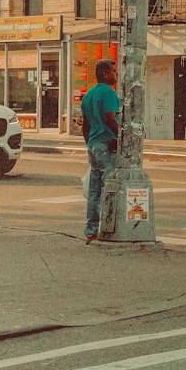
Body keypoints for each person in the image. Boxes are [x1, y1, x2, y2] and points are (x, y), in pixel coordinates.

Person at [81, 59, 120, 243]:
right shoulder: (109, 93)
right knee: (109, 188)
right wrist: (121, 139)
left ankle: (91, 230)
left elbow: (85, 124)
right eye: (113, 71)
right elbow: (110, 118)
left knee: (94, 191)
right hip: (106, 144)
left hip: (94, 144)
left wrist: (90, 144)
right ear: (105, 74)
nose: (116, 74)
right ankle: (107, 228)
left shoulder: (89, 94)